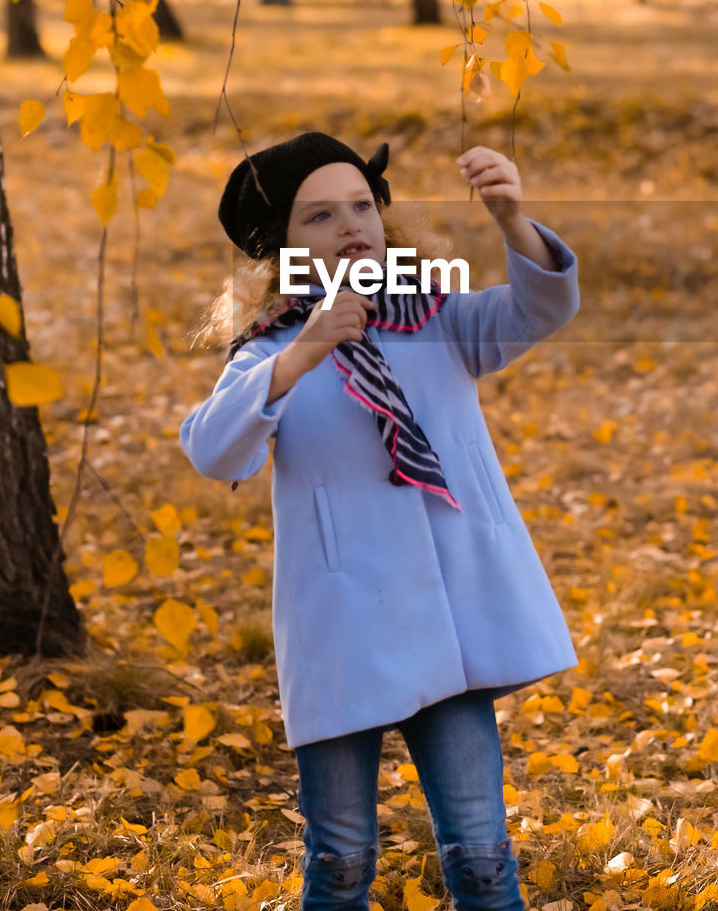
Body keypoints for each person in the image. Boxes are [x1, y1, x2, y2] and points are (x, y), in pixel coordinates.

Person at [179, 131, 581, 911]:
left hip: (454, 625)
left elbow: (539, 307)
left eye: (361, 204)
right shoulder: (269, 352)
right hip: (344, 627)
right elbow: (213, 451)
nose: (351, 225)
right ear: (279, 248)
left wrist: (510, 219)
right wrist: (301, 355)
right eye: (320, 216)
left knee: (482, 852)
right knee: (339, 858)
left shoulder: (436, 319)